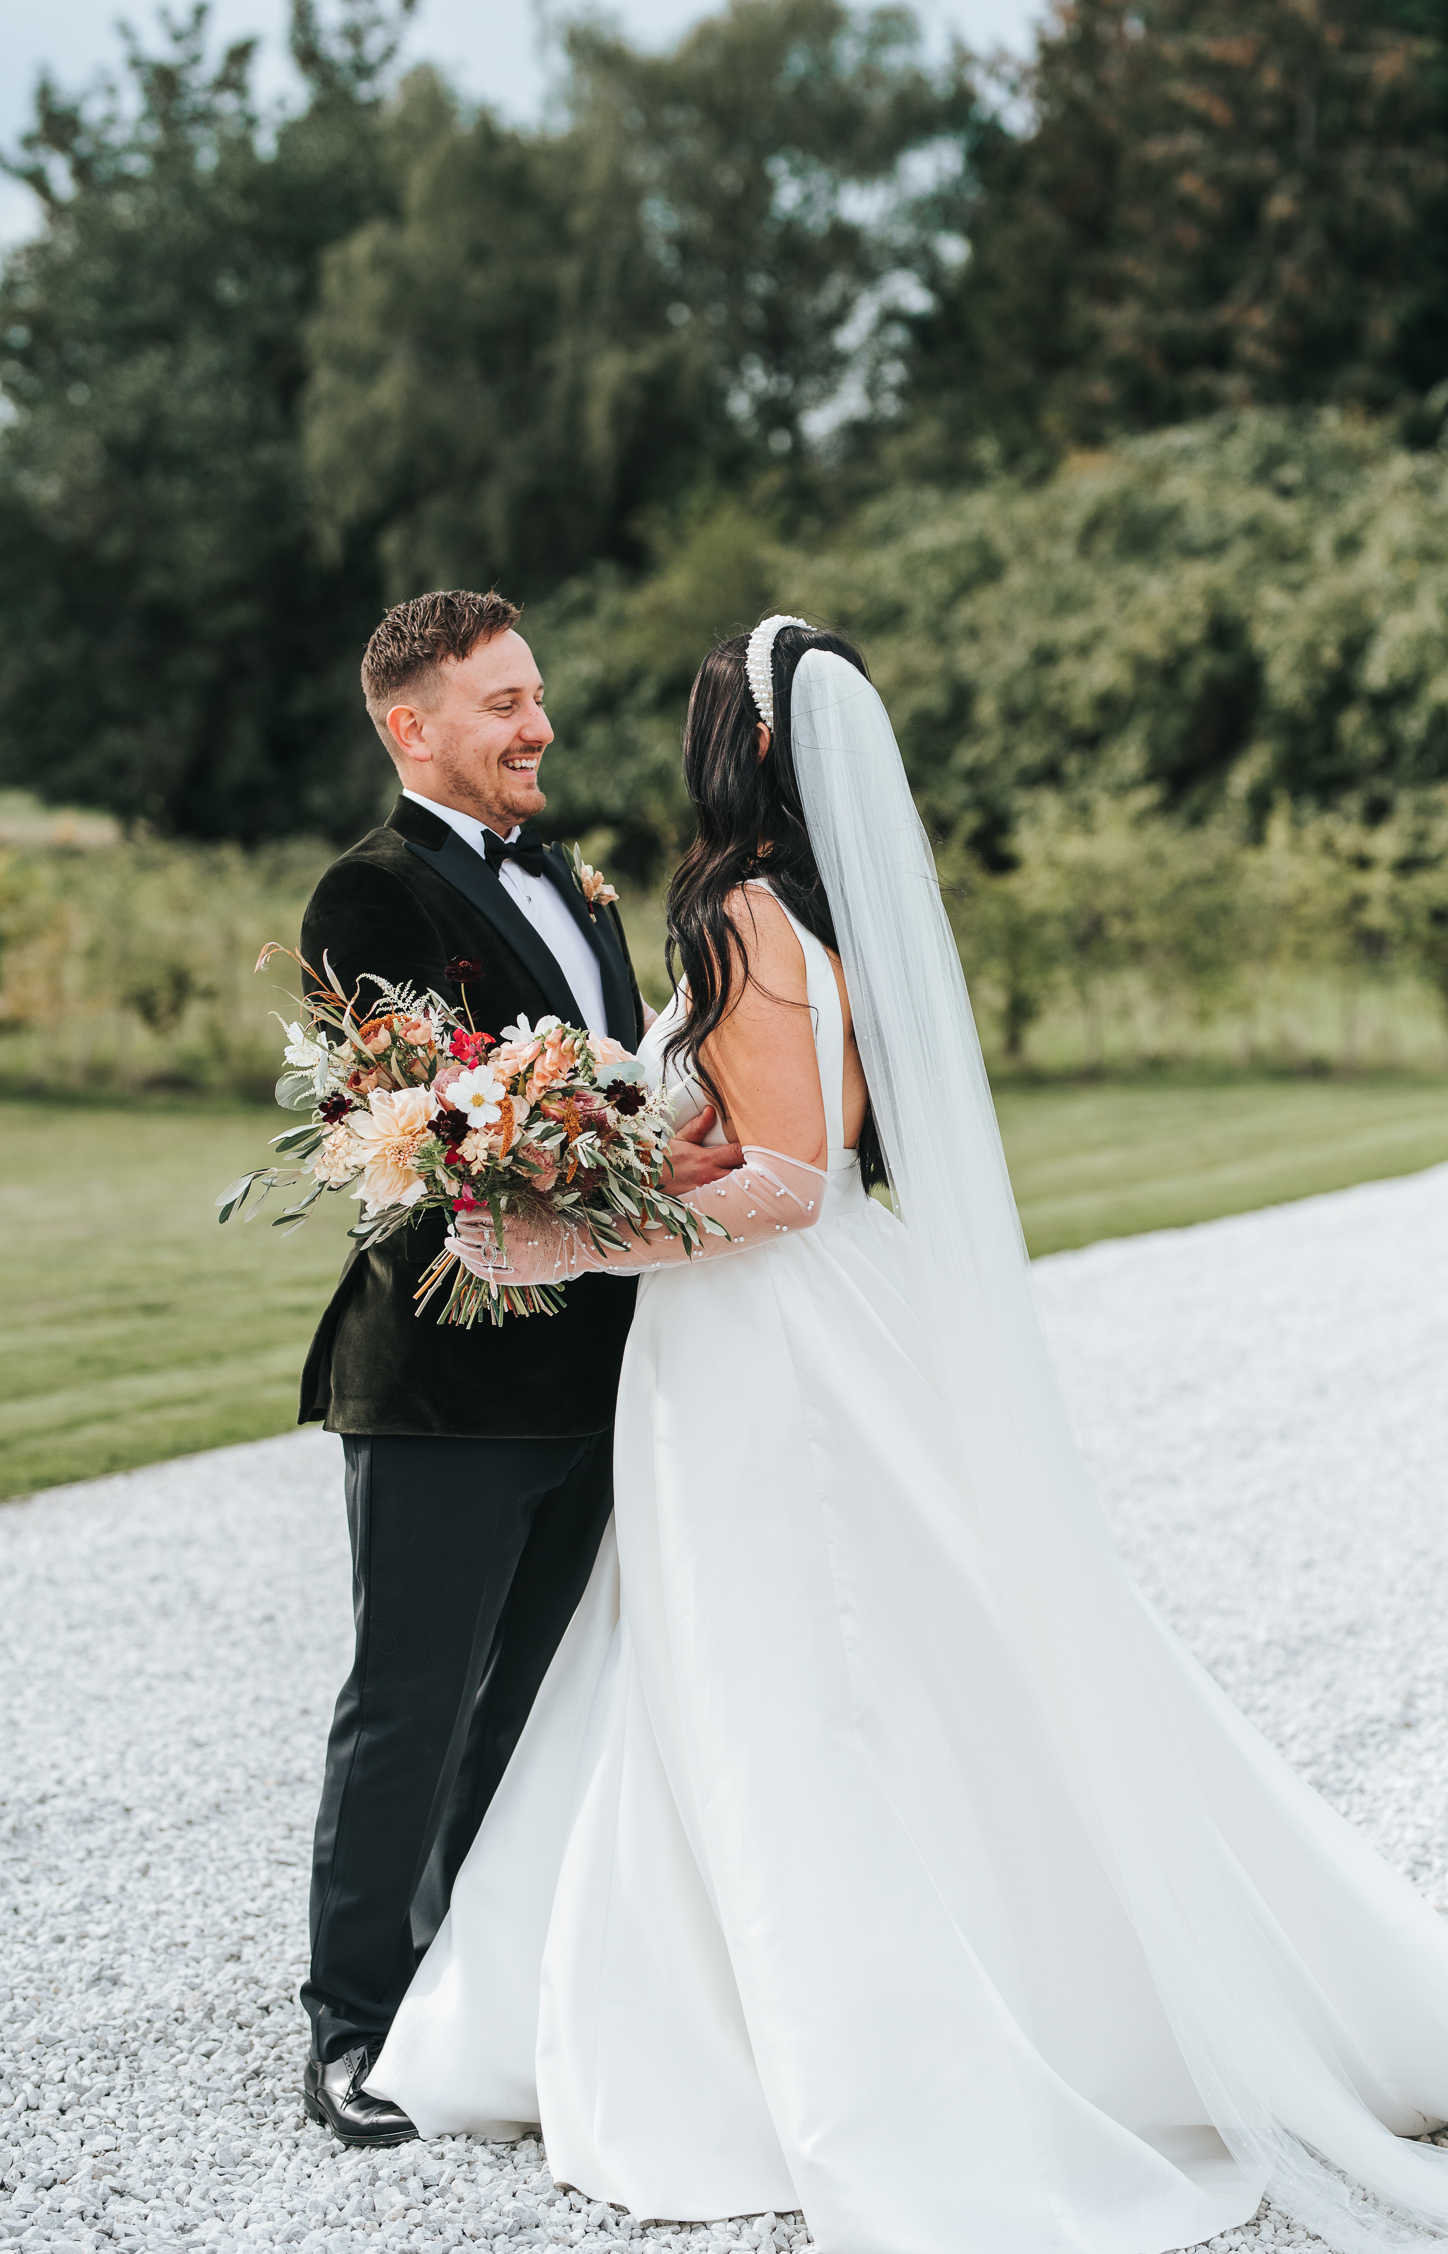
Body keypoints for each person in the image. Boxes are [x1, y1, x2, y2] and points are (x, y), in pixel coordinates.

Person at [365, 616, 1448, 2252]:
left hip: (760, 1347)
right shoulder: (817, 900)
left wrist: (575, 1233)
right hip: (803, 1325)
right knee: (823, 1661)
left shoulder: (733, 907)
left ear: (736, 740)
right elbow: (776, 1139)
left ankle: (831, 2049)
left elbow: (785, 1185)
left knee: (782, 1677)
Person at [294, 589, 741, 2146]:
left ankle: (472, 2002)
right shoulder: (365, 898)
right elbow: (422, 1127)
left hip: (597, 1367)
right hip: (440, 1380)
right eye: (502, 704)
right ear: (413, 727)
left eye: (536, 694)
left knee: (530, 1703)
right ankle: (351, 2023)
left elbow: (608, 1088)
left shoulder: (580, 881)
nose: (537, 724)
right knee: (407, 1701)